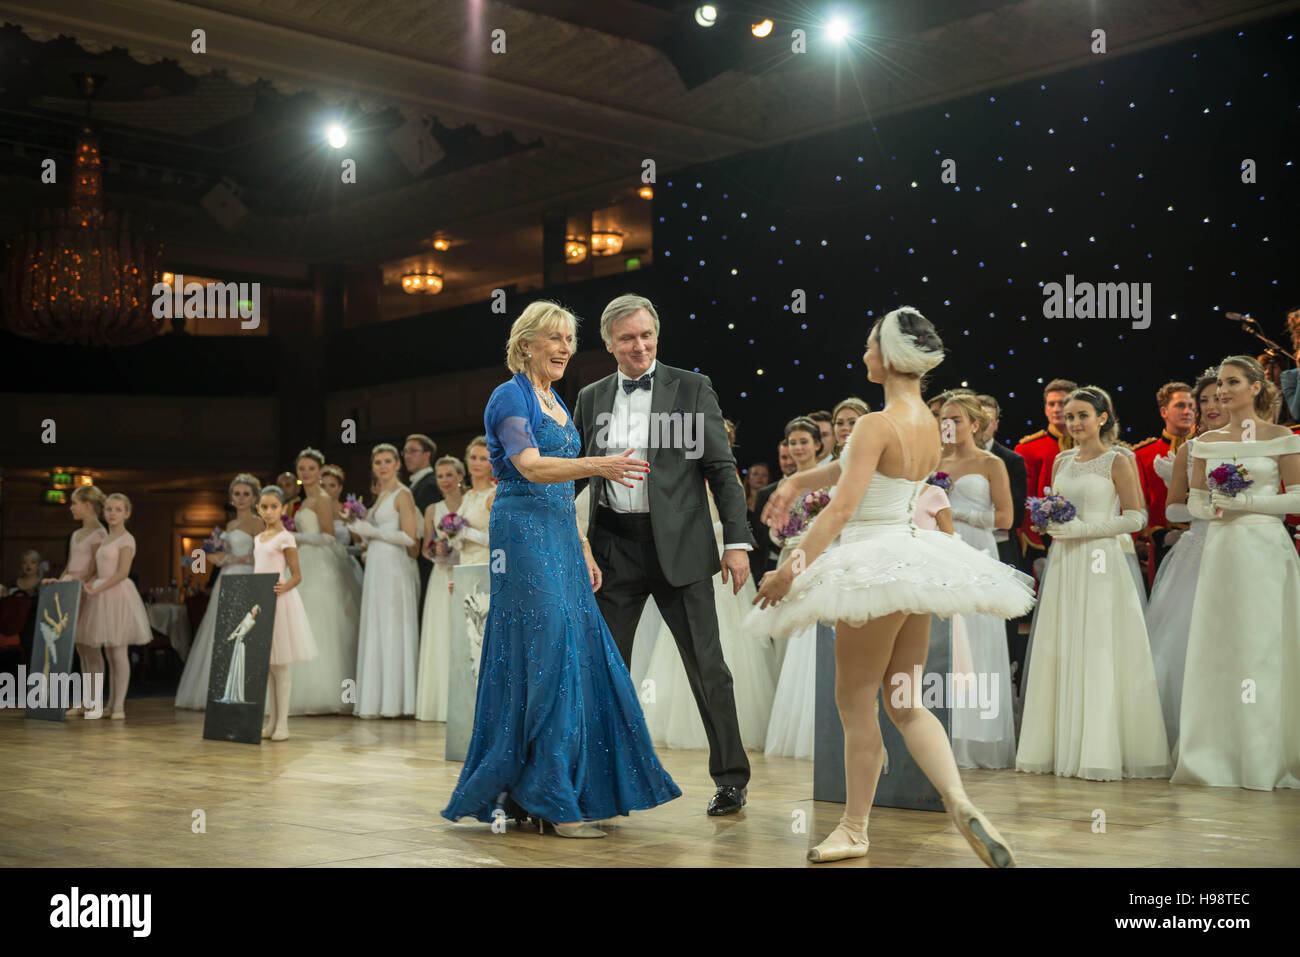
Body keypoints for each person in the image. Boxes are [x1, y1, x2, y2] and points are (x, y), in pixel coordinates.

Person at [754, 306, 1032, 866]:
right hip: (916, 561)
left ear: (888, 355)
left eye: (869, 345)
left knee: (854, 700)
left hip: (871, 564)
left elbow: (842, 509)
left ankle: (855, 829)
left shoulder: (877, 424)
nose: (863, 355)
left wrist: (791, 569)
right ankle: (958, 799)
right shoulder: (926, 423)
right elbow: (858, 469)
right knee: (904, 702)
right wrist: (800, 478)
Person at [443, 300, 680, 837]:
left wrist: (584, 547)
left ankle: (551, 792)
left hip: (558, 534)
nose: (565, 348)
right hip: (521, 533)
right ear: (526, 343)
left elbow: (562, 490)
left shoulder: (554, 399)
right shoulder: (510, 394)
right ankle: (551, 799)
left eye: (570, 340)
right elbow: (528, 465)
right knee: (546, 655)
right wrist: (600, 465)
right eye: (554, 338)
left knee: (572, 655)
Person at [572, 293, 753, 816]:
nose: (640, 346)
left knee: (708, 669)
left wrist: (736, 543)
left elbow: (721, 469)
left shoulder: (692, 387)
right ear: (608, 344)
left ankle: (731, 778)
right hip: (612, 549)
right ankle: (601, 780)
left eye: (647, 335)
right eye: (627, 338)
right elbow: (577, 473)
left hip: (683, 548)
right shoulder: (590, 396)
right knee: (606, 669)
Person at [1015, 386, 1170, 781]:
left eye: (1082, 415)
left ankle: (1099, 749)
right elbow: (1053, 506)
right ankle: (1057, 744)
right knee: (1063, 645)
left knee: (1099, 646)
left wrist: (1084, 530)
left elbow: (1136, 517)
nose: (1074, 423)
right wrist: (1047, 523)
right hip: (1066, 562)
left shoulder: (1118, 459)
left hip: (1101, 562)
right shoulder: (1062, 459)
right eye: (1069, 416)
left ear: (1103, 418)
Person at [1173, 356, 1300, 789]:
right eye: (1220, 383)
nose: (1223, 391)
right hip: (1222, 550)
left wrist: (1246, 504)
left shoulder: (1281, 437)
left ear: (1257, 387)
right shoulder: (1206, 442)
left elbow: (1297, 500)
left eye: (1232, 382)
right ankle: (1215, 755)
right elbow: (1192, 502)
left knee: (1262, 648)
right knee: (1220, 648)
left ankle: (1266, 758)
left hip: (1265, 549)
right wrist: (1212, 506)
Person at [937, 394, 1018, 768]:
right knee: (947, 641)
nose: (947, 424)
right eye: (942, 418)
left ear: (974, 423)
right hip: (940, 552)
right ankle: (943, 733)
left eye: (955, 418)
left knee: (979, 637)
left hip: (977, 550)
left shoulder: (992, 463)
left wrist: (957, 512)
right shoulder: (931, 462)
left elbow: (1005, 518)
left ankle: (979, 737)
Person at [1146, 369, 1222, 747]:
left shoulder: (1265, 443)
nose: (1207, 407)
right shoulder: (1188, 451)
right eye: (1201, 401)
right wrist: (1213, 508)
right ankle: (1190, 734)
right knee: (1185, 642)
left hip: (1249, 551)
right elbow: (1173, 510)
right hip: (1199, 551)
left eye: (1214, 399)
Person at [763, 416, 833, 758]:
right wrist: (786, 534)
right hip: (789, 560)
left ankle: (820, 723)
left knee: (813, 636)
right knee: (788, 638)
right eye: (792, 443)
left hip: (819, 560)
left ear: (818, 444)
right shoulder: (785, 485)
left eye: (804, 441)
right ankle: (791, 717)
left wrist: (807, 538)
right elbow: (773, 532)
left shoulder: (830, 479)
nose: (798, 448)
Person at [282, 447, 360, 715]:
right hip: (304, 561)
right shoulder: (303, 501)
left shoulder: (323, 498)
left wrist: (296, 538)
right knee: (302, 622)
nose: (306, 472)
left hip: (320, 563)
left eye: (311, 468)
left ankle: (325, 691)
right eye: (302, 468)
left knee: (321, 623)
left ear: (320, 470)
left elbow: (328, 536)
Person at [175, 474, 263, 710]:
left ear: (255, 498)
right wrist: (215, 558)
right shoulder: (230, 525)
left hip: (245, 577)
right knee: (220, 630)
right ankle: (219, 688)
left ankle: (242, 689)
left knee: (241, 632)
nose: (241, 498)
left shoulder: (258, 523)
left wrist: (232, 558)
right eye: (237, 494)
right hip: (226, 578)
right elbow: (210, 557)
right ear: (231, 498)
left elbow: (261, 555)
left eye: (246, 494)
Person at [348, 444, 421, 718]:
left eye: (388, 461)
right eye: (377, 461)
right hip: (377, 565)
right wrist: (359, 529)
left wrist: (373, 532)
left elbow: (410, 539)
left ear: (397, 464)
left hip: (394, 566)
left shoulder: (404, 494)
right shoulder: (380, 497)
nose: (382, 466)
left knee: (392, 625)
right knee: (377, 624)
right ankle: (377, 700)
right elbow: (370, 535)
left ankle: (397, 701)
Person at [975, 393, 1030, 693]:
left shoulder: (1010, 460)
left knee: (1002, 616)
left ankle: (1003, 676)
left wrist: (969, 518)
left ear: (995, 423)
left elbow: (1017, 512)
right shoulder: (947, 459)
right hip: (963, 548)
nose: (982, 425)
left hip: (999, 547)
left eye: (988, 419)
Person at [253, 487, 318, 740]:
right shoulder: (257, 539)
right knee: (268, 667)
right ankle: (271, 722)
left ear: (282, 509)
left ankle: (283, 724)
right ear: (258, 509)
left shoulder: (286, 538)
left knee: (279, 666)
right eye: (264, 507)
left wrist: (283, 587)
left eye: (273, 506)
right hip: (262, 602)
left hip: (280, 602)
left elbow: (297, 575)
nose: (269, 511)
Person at [415, 454, 467, 722]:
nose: (444, 480)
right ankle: (438, 702)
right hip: (440, 573)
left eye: (449, 475)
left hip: (465, 570)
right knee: (440, 631)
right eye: (440, 476)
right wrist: (437, 551)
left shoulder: (471, 501)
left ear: (460, 476)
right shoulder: (432, 509)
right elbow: (425, 549)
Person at [1131, 382, 1197, 584]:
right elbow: (1138, 504)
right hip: (1161, 545)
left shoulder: (1208, 449)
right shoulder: (1142, 455)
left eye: (1192, 406)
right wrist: (1157, 535)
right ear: (1164, 411)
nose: (1187, 411)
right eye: (1180, 406)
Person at [1014, 378, 1078, 565]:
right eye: (1052, 404)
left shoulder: (1092, 446)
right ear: (1045, 409)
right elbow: (1026, 501)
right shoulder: (1028, 449)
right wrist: (1036, 546)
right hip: (1047, 539)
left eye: (1063, 403)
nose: (1057, 409)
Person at [404, 433, 442, 625]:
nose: (407, 456)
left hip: (426, 561)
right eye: (405, 452)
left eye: (413, 451)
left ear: (427, 455)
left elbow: (433, 528)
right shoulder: (414, 485)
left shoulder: (431, 484)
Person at [320, 464, 364, 585]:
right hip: (319, 563)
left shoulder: (348, 511)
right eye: (323, 486)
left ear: (340, 488)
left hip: (344, 565)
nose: (327, 490)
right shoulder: (313, 511)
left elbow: (359, 546)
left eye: (332, 485)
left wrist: (342, 551)